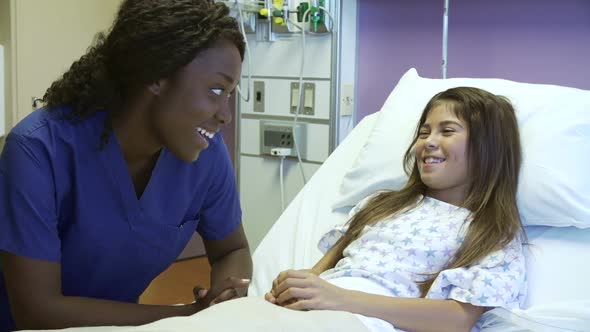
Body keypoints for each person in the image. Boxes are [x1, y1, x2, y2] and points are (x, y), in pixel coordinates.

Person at [116, 86, 525, 332]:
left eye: (447, 131)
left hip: (361, 322)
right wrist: (295, 285)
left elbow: (458, 320)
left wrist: (341, 299)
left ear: (489, 147)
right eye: (423, 132)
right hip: (317, 311)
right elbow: (322, 272)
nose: (427, 142)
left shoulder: (489, 232)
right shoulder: (380, 204)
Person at [0, 1, 252, 331]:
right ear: (156, 76)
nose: (225, 114)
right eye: (216, 90)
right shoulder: (37, 151)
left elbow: (232, 248)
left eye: (230, 94)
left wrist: (226, 295)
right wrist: (191, 316)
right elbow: (37, 312)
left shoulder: (207, 154)